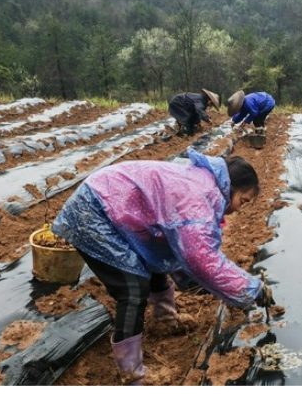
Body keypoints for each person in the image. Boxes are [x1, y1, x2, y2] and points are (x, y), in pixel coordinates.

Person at [52, 149, 274, 385]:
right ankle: (132, 374)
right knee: (133, 289)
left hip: (116, 205)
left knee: (156, 260)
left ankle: (166, 319)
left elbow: (177, 250)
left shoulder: (205, 184)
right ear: (231, 186)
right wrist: (251, 289)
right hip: (94, 211)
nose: (239, 208)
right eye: (243, 200)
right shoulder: (198, 197)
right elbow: (202, 260)